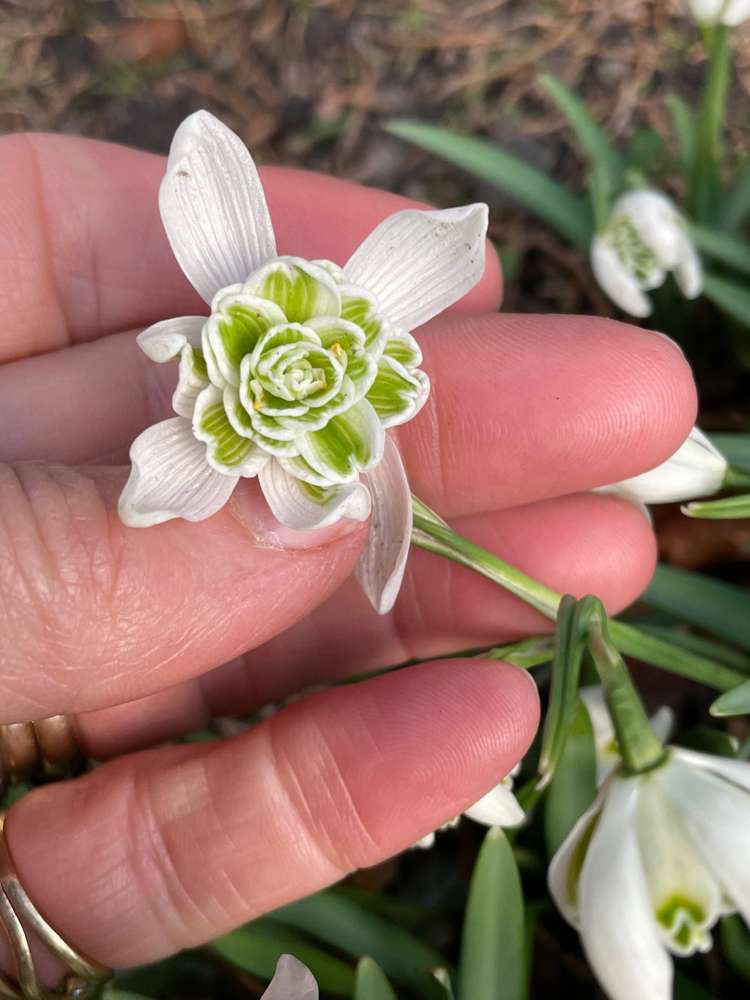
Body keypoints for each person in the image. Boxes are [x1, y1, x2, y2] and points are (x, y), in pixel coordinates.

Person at [0, 129, 696, 979]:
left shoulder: (356, 399)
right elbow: (155, 493)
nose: (302, 377)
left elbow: (449, 245)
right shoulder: (231, 417)